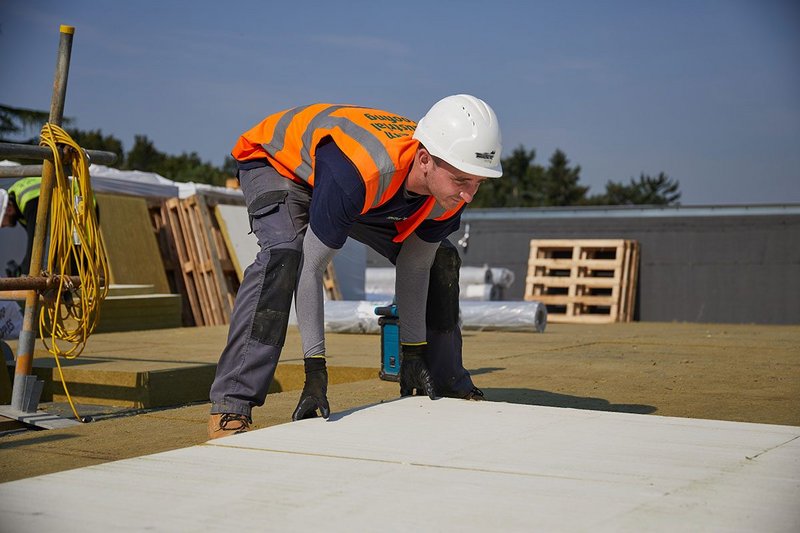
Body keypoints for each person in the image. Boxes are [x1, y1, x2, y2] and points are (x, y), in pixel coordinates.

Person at [208, 95, 503, 439]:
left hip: (352, 179)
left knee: (441, 258)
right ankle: (232, 403)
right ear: (425, 160)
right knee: (286, 252)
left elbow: (416, 266)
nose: (469, 196)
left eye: (478, 183)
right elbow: (312, 268)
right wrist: (315, 370)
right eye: (462, 182)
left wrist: (413, 353)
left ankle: (445, 381)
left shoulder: (449, 184)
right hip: (276, 163)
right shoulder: (359, 172)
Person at [1, 177, 43, 276]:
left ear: (8, 210)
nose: (2, 226)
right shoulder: (16, 197)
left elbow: (37, 244)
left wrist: (23, 273)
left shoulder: (29, 202)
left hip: (78, 205)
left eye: (1, 222)